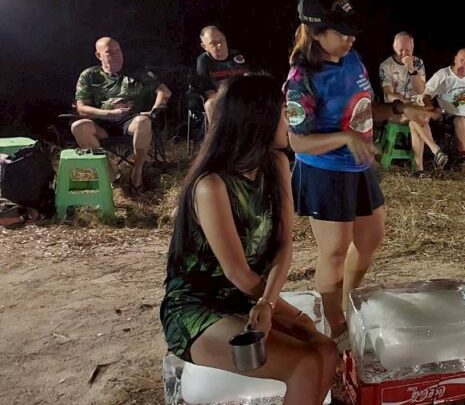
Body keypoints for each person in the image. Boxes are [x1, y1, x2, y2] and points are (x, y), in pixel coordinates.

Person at [161, 75, 338, 405]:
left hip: (248, 300)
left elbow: (284, 244)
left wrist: (272, 305)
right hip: (198, 308)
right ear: (259, 119)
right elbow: (237, 272)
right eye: (284, 113)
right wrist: (277, 309)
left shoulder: (276, 163)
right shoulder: (212, 186)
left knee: (326, 350)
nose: (291, 121)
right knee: (304, 364)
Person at [285, 0, 439, 345]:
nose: (351, 37)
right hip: (324, 170)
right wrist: (345, 138)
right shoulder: (302, 79)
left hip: (357, 165)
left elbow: (366, 110)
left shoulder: (352, 59)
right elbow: (297, 142)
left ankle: (348, 300)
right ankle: (335, 325)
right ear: (316, 32)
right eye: (342, 31)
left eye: (352, 29)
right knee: (334, 251)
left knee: (370, 239)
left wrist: (401, 110)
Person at [72, 37, 172, 192]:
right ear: (99, 55)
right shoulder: (89, 75)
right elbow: (82, 108)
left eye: (118, 50)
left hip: (130, 122)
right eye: (110, 52)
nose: (116, 55)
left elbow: (164, 91)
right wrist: (108, 113)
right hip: (102, 123)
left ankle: (137, 173)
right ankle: (110, 171)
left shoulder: (137, 71)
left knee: (143, 121)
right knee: (78, 126)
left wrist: (153, 111)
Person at [378, 31, 448, 176]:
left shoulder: (418, 63)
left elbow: (421, 89)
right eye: (400, 50)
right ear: (394, 47)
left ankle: (419, 170)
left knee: (414, 119)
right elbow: (388, 94)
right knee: (415, 115)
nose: (404, 53)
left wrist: (411, 69)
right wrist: (403, 102)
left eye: (407, 50)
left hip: (416, 110)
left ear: (413, 48)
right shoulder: (386, 65)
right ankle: (435, 150)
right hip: (395, 110)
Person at [196, 26, 250, 119]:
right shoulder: (203, 61)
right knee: (210, 105)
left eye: (221, 40)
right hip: (221, 99)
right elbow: (208, 91)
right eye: (213, 43)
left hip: (242, 96)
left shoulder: (237, 55)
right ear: (205, 47)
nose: (219, 45)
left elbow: (248, 78)